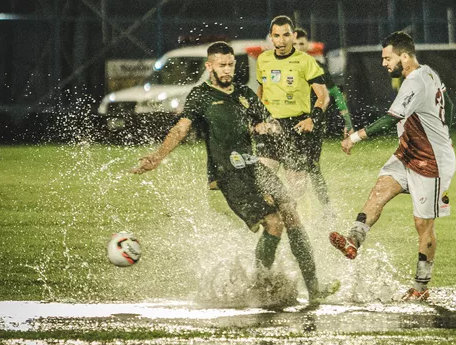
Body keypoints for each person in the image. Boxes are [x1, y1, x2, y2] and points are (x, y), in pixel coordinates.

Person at [131, 41, 336, 302]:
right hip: (228, 173)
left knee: (291, 213)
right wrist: (158, 156)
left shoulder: (245, 94)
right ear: (210, 66)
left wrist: (266, 127)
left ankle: (314, 288)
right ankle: (262, 286)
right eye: (221, 65)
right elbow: (181, 129)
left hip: (252, 165)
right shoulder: (201, 95)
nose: (227, 70)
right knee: (274, 224)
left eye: (230, 64)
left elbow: (266, 120)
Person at [329, 31, 456, 301]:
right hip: (407, 153)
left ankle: (421, 289)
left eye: (388, 58)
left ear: (405, 57)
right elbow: (450, 104)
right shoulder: (429, 72)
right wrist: (444, 128)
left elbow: (389, 121)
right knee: (379, 191)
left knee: (423, 223)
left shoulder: (414, 82)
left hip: (431, 161)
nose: (384, 64)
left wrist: (354, 137)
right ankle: (353, 240)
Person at [255, 15, 330, 202]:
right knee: (263, 180)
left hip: (296, 126)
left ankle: (292, 219)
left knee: (296, 187)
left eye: (286, 35)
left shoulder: (305, 61)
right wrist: (257, 120)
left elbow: (323, 95)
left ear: (293, 35)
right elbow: (261, 92)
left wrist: (312, 119)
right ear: (271, 37)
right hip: (271, 125)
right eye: (277, 36)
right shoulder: (263, 60)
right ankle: (272, 223)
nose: (281, 40)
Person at [293, 28, 354, 211]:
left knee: (312, 166)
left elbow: (336, 94)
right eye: (294, 44)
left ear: (307, 46)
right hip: (290, 122)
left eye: (301, 44)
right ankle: (289, 207)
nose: (297, 47)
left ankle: (326, 208)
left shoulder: (317, 66)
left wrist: (348, 123)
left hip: (314, 123)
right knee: (291, 166)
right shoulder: (282, 67)